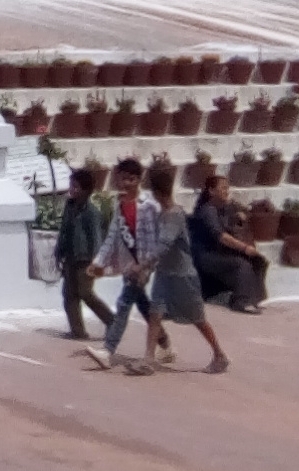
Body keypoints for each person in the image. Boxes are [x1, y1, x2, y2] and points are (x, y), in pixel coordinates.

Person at [145, 158, 232, 372]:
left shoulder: (174, 215)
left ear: (156, 193)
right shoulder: (163, 214)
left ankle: (219, 355)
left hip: (182, 277)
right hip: (165, 274)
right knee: (154, 313)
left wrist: (142, 266)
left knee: (197, 318)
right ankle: (147, 359)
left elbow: (163, 245)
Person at [95, 158, 169, 371]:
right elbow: (112, 237)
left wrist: (147, 266)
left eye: (131, 178)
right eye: (123, 178)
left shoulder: (150, 206)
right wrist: (99, 262)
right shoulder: (119, 205)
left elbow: (157, 238)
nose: (126, 183)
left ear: (138, 179)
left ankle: (108, 350)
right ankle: (165, 343)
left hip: (143, 265)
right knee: (143, 304)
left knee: (124, 304)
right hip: (129, 266)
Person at [186, 163, 267, 317]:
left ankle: (253, 298)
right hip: (207, 256)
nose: (226, 192)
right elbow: (221, 237)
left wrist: (240, 215)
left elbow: (243, 214)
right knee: (241, 264)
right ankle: (240, 301)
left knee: (258, 260)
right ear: (211, 191)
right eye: (223, 188)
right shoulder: (207, 211)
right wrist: (244, 248)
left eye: (227, 188)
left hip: (220, 253)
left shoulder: (225, 207)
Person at [53, 163, 114, 346]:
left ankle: (112, 321)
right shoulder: (70, 207)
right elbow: (64, 231)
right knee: (69, 294)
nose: (72, 189)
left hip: (86, 259)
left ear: (86, 190)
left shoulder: (91, 213)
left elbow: (96, 238)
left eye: (76, 187)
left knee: (85, 292)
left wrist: (97, 262)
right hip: (71, 258)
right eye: (71, 185)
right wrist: (59, 252)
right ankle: (77, 330)